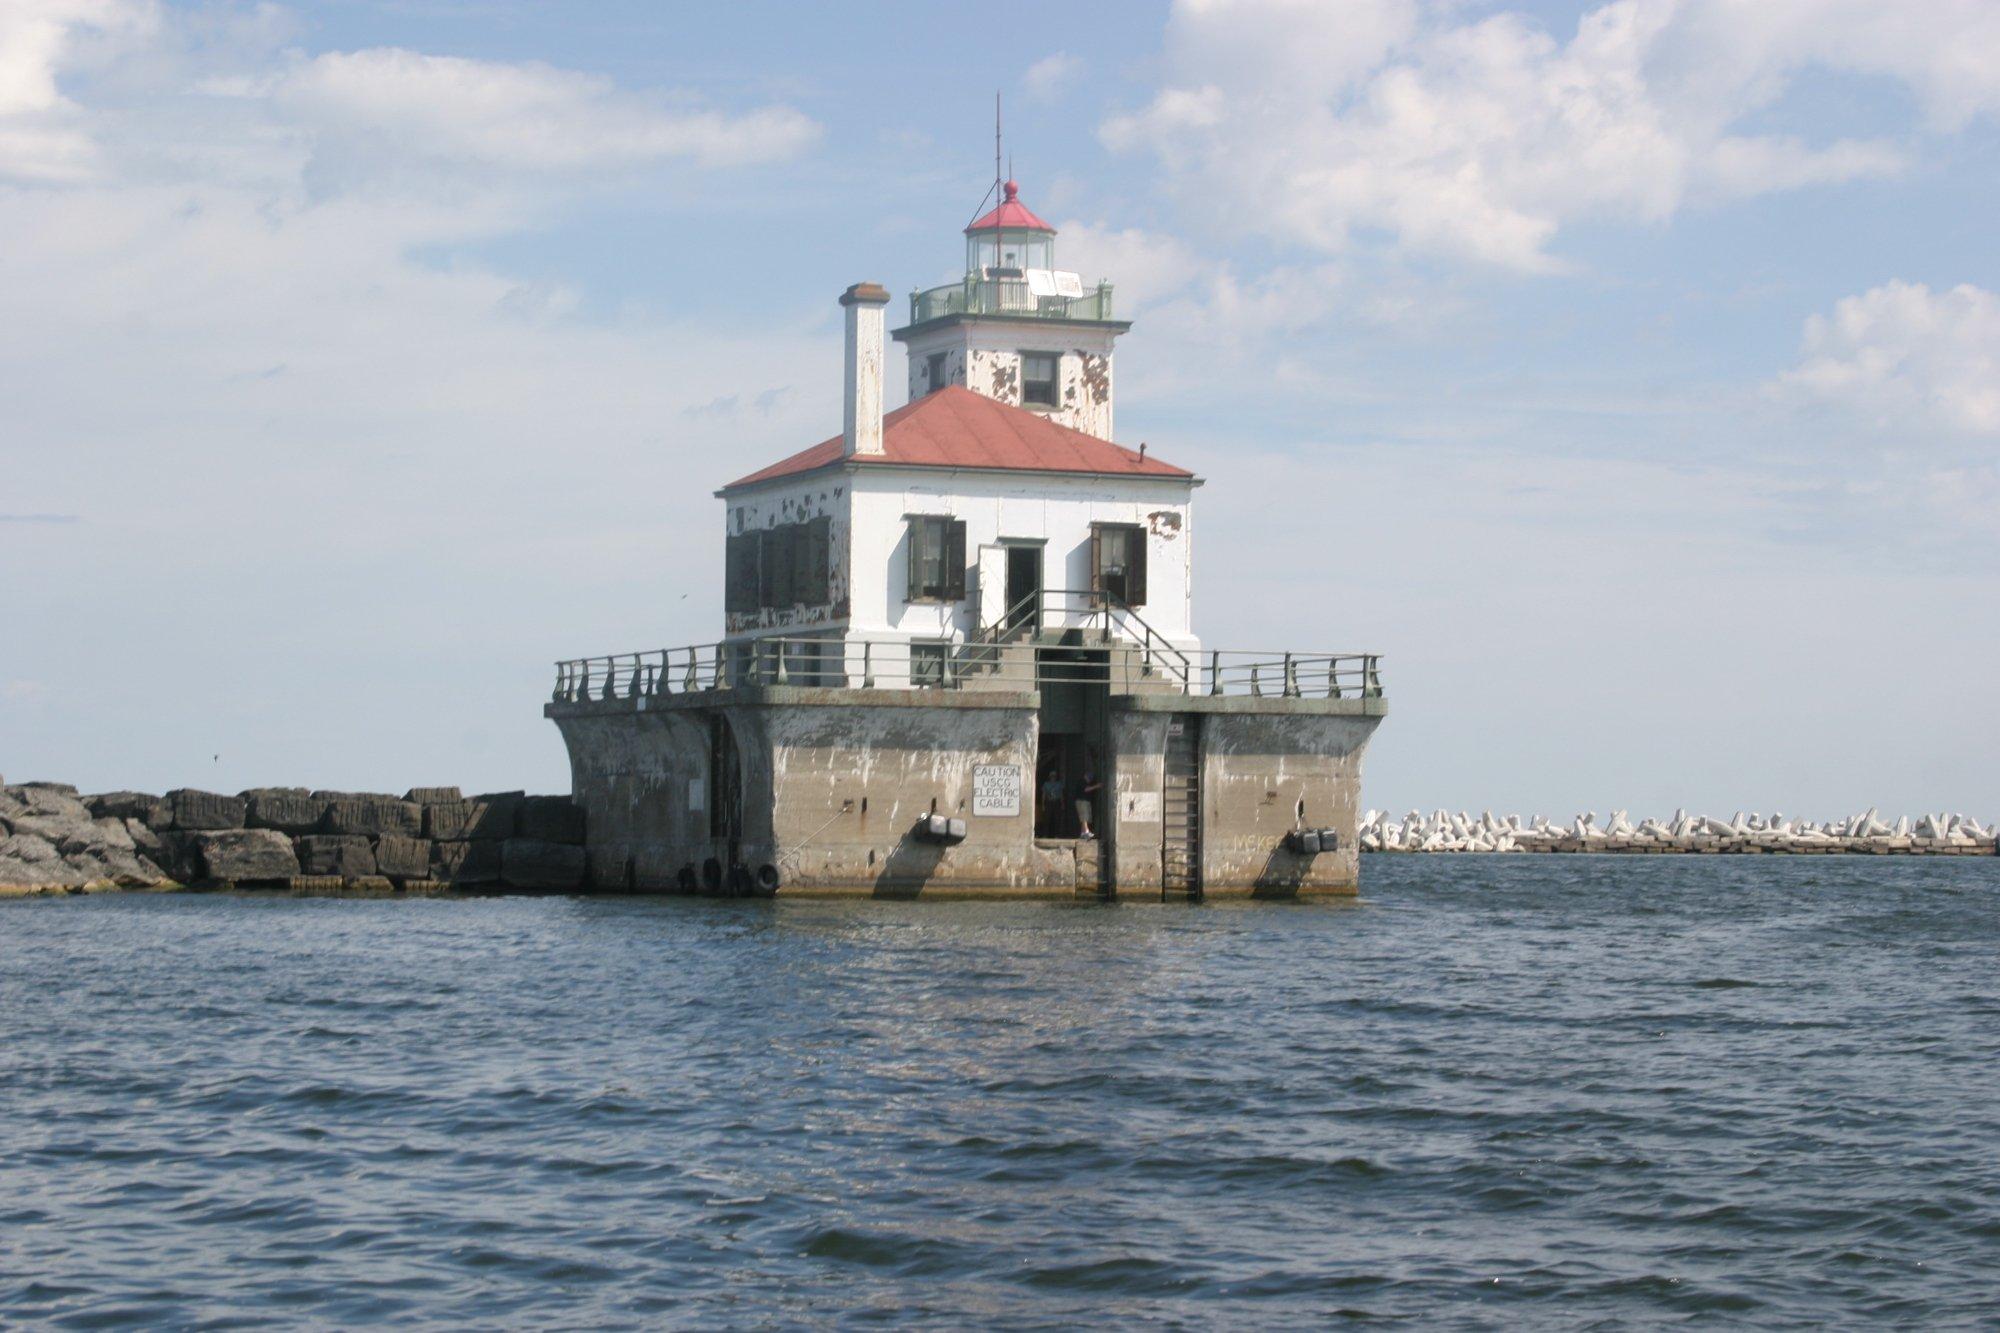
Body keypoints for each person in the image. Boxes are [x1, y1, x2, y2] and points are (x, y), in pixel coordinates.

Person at [1076, 756, 1102, 840]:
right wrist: (1096, 786)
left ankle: (1083, 833)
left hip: (1086, 801)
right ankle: (1086, 831)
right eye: (1089, 778)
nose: (1090, 780)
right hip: (1081, 801)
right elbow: (1086, 789)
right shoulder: (1081, 781)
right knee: (1084, 817)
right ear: (1086, 776)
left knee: (1086, 817)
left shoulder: (1086, 782)